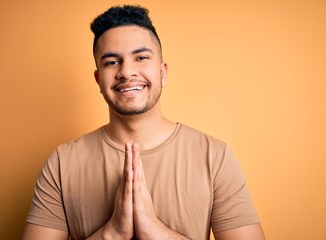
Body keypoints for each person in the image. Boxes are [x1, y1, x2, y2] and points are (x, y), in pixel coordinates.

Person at [21, 5, 265, 240]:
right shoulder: (61, 164)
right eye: (111, 62)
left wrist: (160, 233)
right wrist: (112, 233)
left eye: (141, 57)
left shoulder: (214, 157)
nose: (126, 71)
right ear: (98, 79)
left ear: (163, 72)